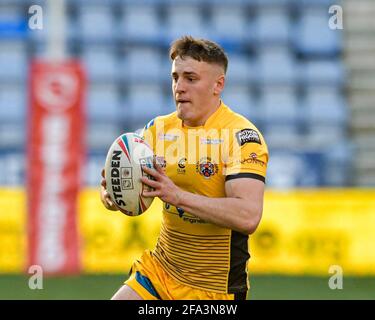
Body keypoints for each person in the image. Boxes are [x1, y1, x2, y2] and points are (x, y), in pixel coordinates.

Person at [100, 36, 269, 300]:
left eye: (190, 78)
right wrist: (112, 194)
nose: (179, 87)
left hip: (214, 289)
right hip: (160, 271)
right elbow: (127, 188)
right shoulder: (158, 130)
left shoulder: (241, 137)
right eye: (175, 77)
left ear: (218, 85)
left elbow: (248, 216)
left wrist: (177, 196)